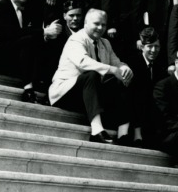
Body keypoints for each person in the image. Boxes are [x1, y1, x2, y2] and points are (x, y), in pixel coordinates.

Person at [49, 8, 134, 144]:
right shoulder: (76, 39)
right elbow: (83, 63)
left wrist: (124, 68)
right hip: (65, 93)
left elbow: (116, 62)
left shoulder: (105, 43)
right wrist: (113, 69)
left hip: (89, 97)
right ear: (86, 23)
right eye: (96, 24)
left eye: (104, 25)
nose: (100, 28)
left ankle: (123, 134)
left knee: (122, 78)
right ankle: (96, 130)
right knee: (92, 75)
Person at [128, 26, 168, 146]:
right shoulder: (133, 63)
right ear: (142, 47)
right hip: (133, 108)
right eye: (150, 46)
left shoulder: (159, 68)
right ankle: (137, 132)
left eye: (157, 46)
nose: (154, 50)